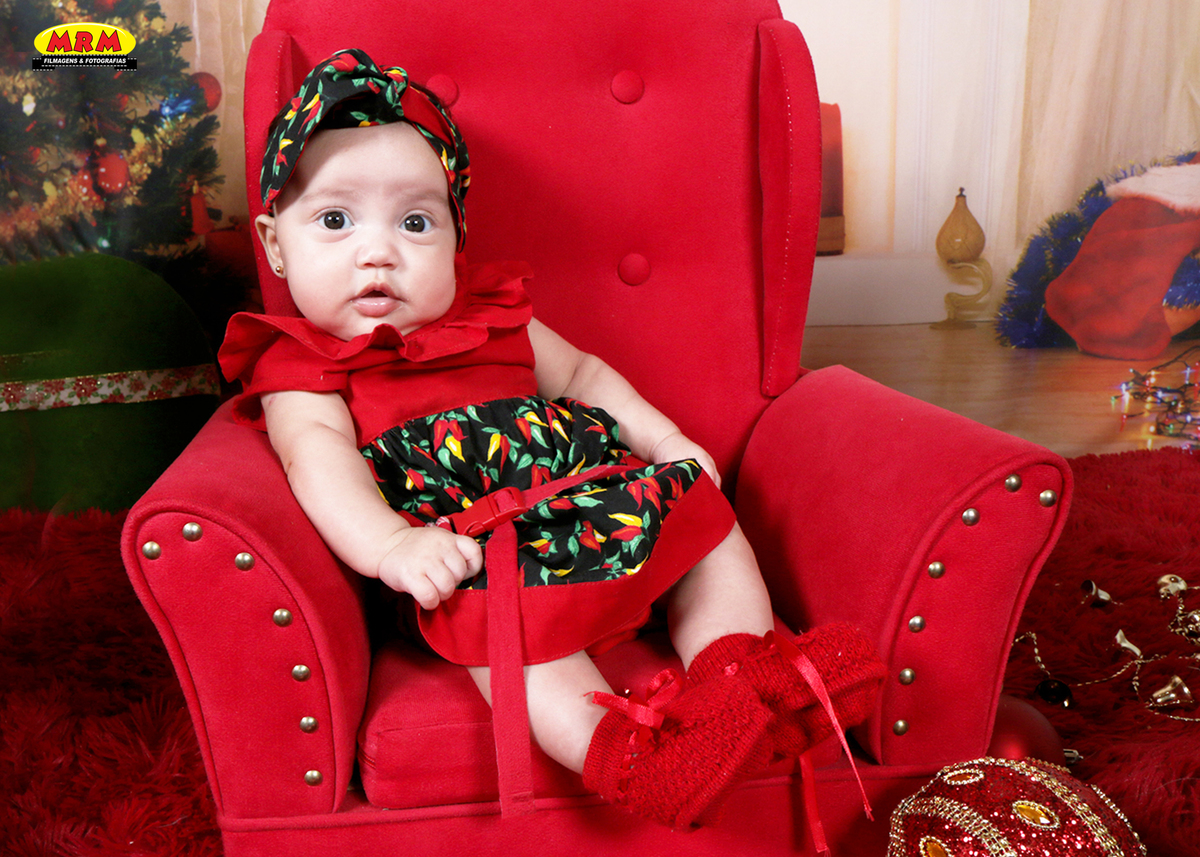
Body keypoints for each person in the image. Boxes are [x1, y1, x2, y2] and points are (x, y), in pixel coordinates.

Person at [220, 48, 884, 830]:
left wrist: (667, 440)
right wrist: (393, 546)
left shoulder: (496, 318)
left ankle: (739, 678)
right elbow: (319, 464)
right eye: (335, 220)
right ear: (275, 243)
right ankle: (636, 758)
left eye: (415, 222)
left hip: (602, 503)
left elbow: (586, 376)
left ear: (455, 239)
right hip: (482, 554)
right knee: (510, 648)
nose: (378, 251)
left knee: (703, 519)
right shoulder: (305, 367)